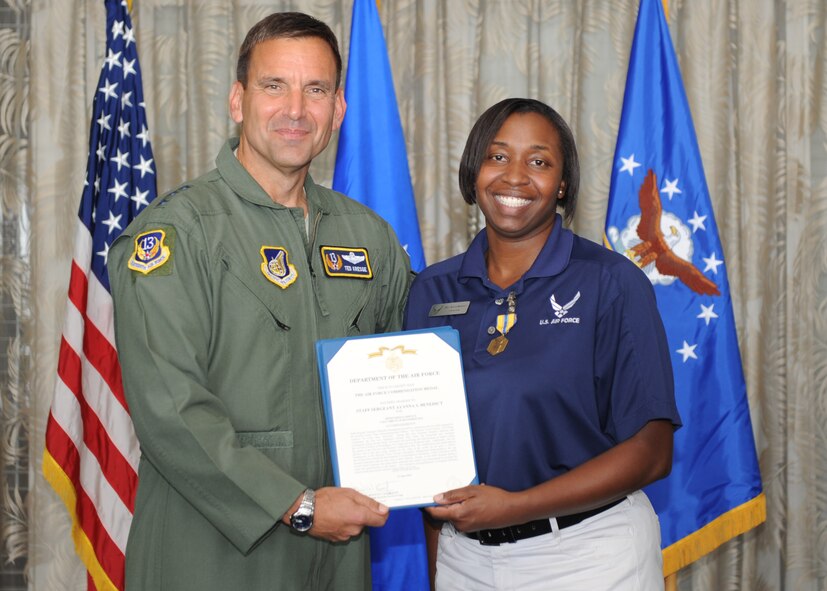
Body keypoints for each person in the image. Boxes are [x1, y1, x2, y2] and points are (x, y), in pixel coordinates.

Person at [108, 12, 412, 591]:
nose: (296, 109)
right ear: (238, 100)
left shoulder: (369, 237)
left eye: (316, 89)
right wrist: (296, 505)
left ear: (339, 110)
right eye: (275, 86)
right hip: (213, 554)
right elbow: (173, 413)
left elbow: (414, 363)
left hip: (339, 558)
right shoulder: (176, 235)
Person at [403, 98, 681, 590]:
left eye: (538, 161)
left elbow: (653, 452)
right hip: (464, 561)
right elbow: (428, 454)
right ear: (473, 172)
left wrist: (514, 507)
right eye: (497, 156)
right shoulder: (431, 290)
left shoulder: (611, 282)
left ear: (563, 183)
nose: (514, 177)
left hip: (589, 555)